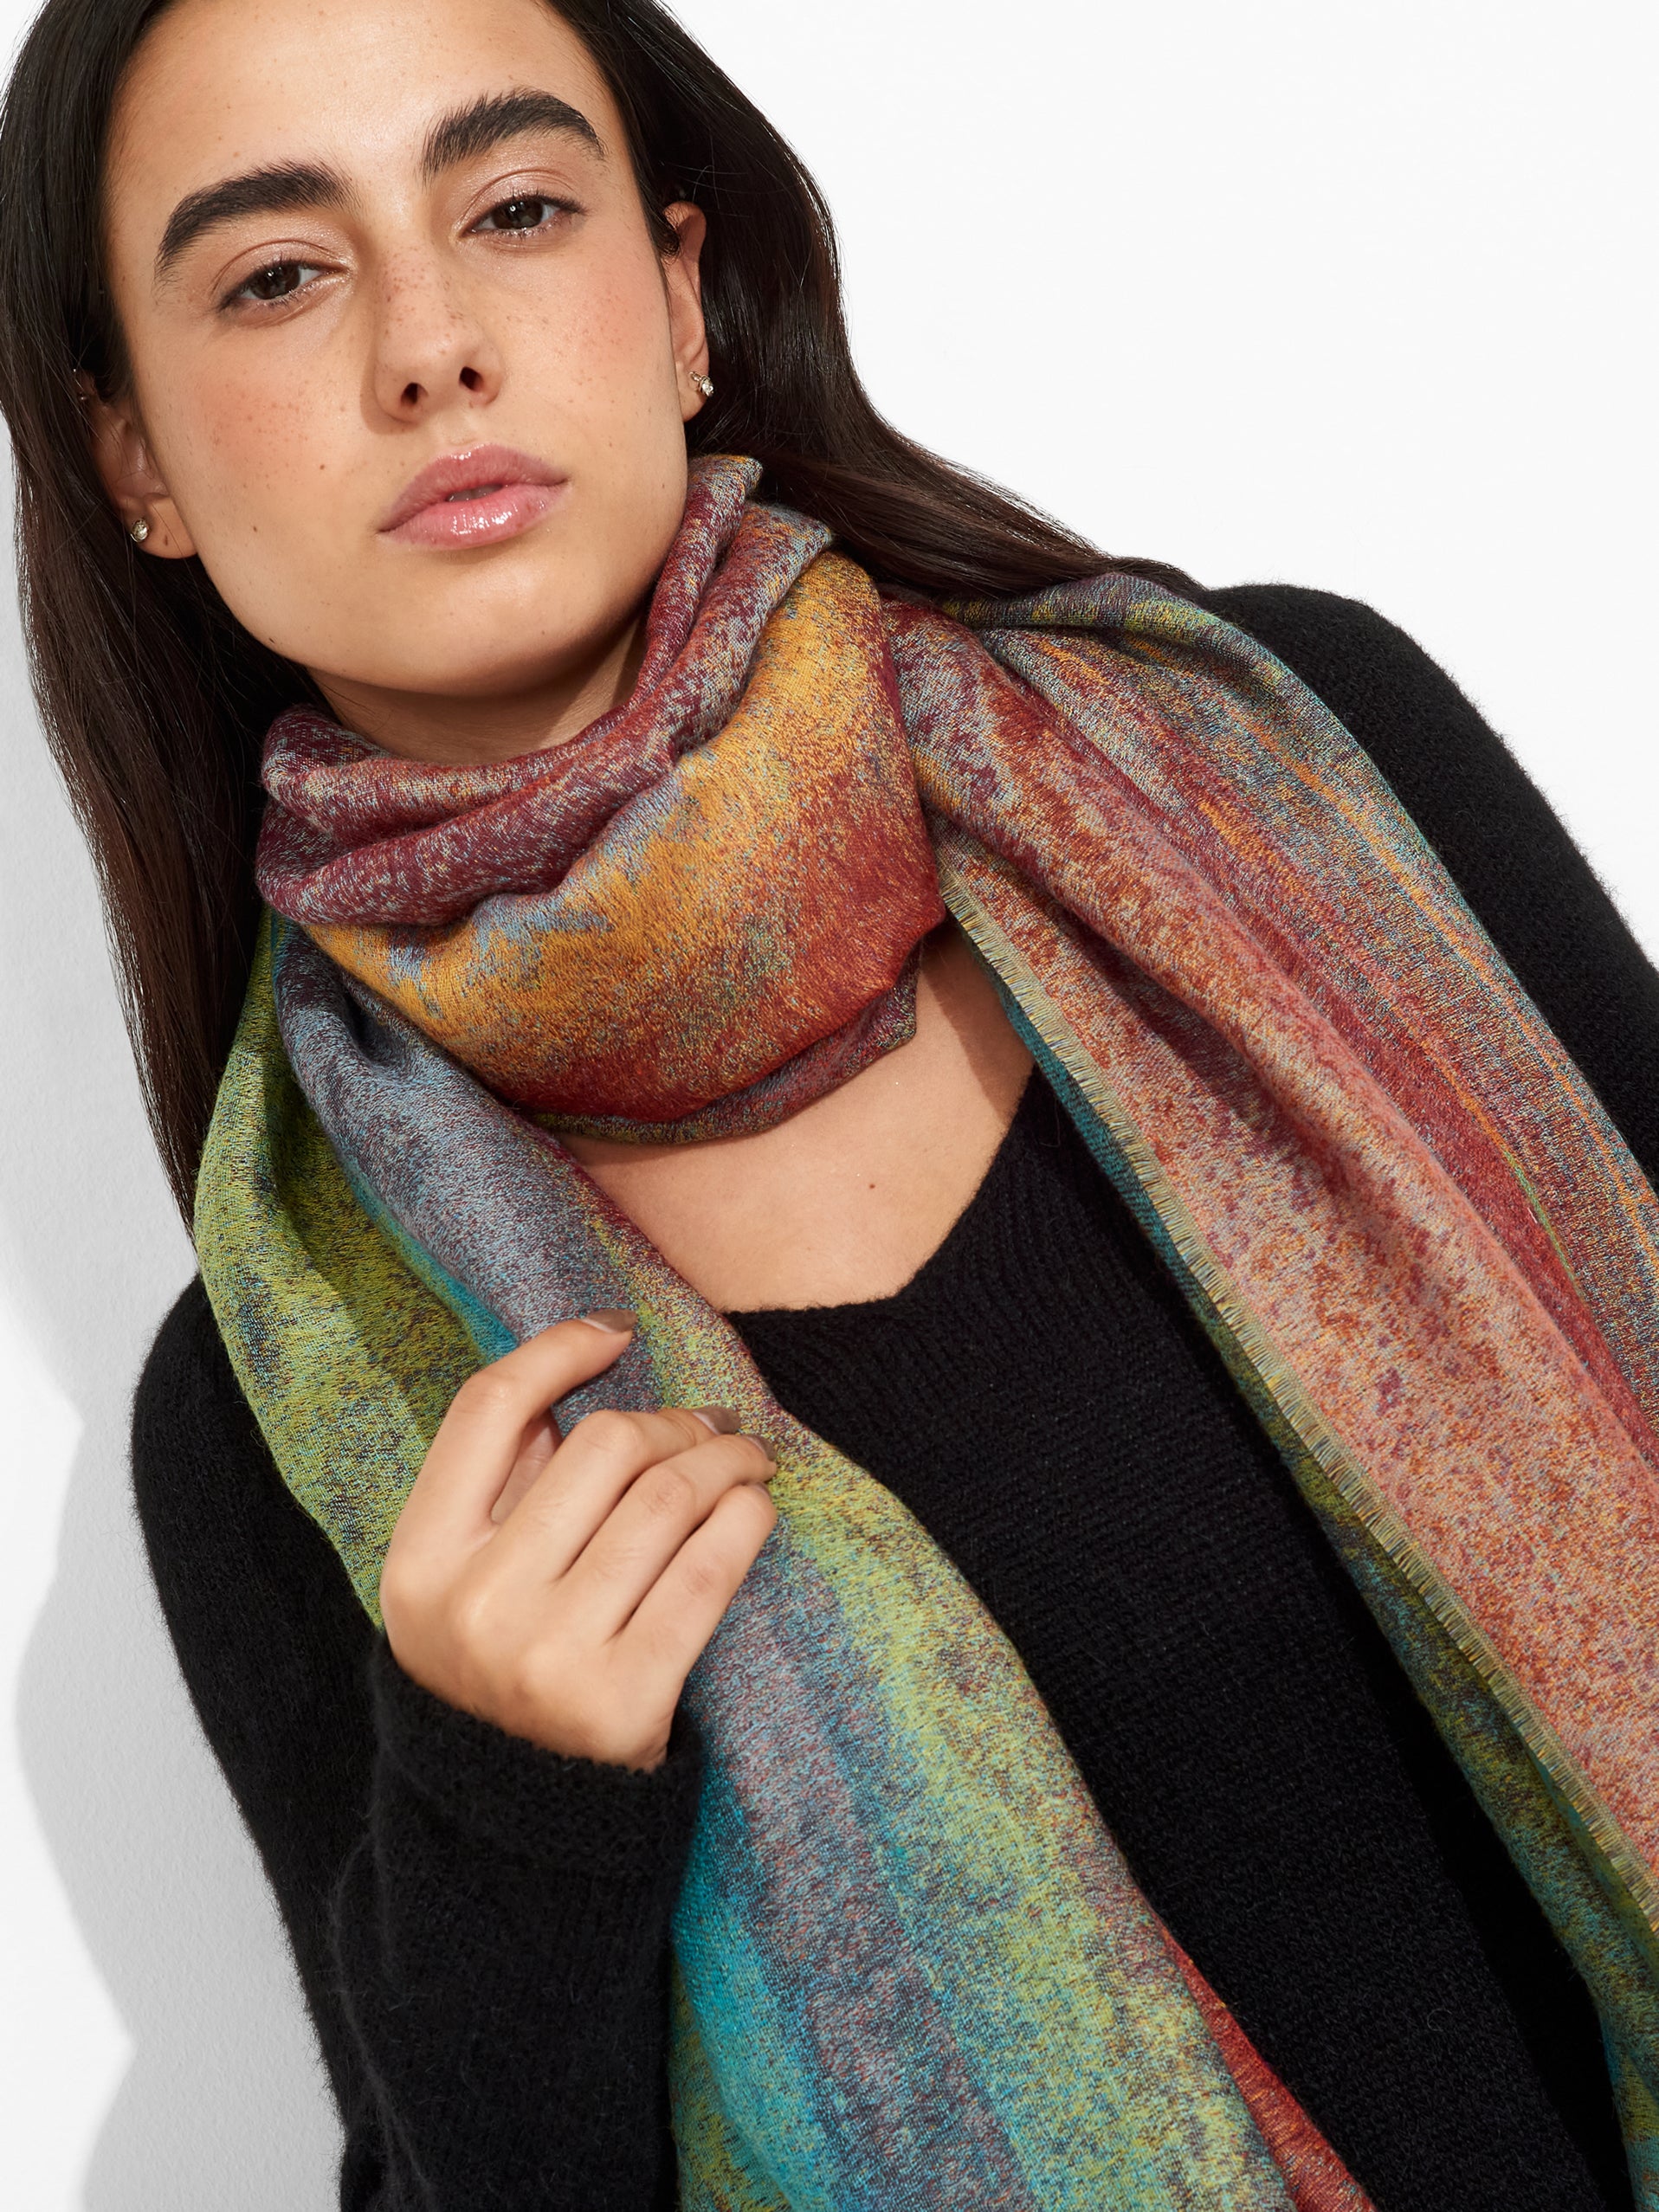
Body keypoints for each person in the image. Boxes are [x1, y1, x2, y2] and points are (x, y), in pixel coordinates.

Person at [2, 0, 1655, 2204]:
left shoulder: (1285, 766)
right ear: (132, 455)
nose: (432, 348)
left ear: (684, 295)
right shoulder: (289, 1415)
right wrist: (509, 1818)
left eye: (515, 209)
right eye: (280, 274)